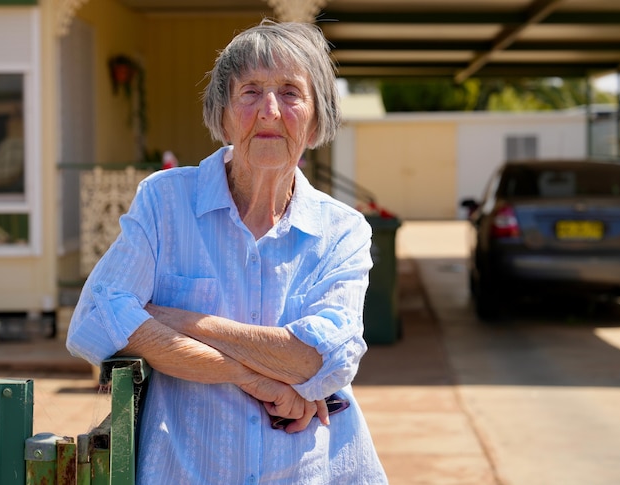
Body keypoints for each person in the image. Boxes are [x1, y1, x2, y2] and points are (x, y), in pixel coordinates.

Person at [67, 19, 387, 484]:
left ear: (318, 118)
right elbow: (95, 318)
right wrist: (253, 377)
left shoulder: (342, 230)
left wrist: (177, 320)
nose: (270, 111)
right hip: (186, 471)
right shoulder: (165, 203)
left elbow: (319, 360)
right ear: (223, 114)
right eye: (251, 91)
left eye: (291, 93)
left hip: (310, 472)